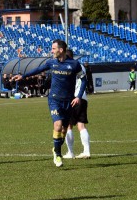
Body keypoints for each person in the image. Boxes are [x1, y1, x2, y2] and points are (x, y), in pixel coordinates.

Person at [12, 39, 86, 168]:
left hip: (68, 101)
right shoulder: (51, 63)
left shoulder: (74, 64)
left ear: (60, 50)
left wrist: (78, 96)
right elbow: (38, 69)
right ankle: (57, 154)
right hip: (54, 100)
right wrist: (23, 76)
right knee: (57, 125)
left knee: (64, 130)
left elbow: (84, 80)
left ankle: (56, 148)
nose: (51, 51)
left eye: (53, 48)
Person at [63, 49, 91, 160]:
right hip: (82, 98)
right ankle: (87, 151)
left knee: (68, 126)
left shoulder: (67, 67)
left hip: (72, 98)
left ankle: (70, 152)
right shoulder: (81, 66)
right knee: (81, 125)